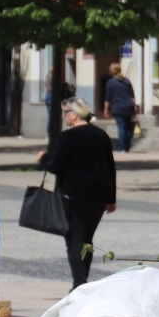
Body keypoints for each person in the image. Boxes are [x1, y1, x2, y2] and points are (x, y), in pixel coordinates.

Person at [37, 97, 116, 288]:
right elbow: (110, 168)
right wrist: (111, 198)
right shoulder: (101, 136)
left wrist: (43, 159)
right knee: (86, 239)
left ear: (73, 115)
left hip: (73, 196)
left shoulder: (68, 137)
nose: (64, 116)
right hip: (98, 198)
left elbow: (56, 166)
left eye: (65, 112)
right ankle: (81, 281)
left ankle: (79, 284)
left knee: (75, 239)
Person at [103, 62, 137, 152]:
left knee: (121, 127)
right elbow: (132, 97)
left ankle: (122, 147)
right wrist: (134, 110)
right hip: (129, 106)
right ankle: (127, 147)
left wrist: (106, 110)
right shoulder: (126, 81)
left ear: (111, 71)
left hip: (118, 107)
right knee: (128, 127)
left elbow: (107, 98)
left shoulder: (110, 83)